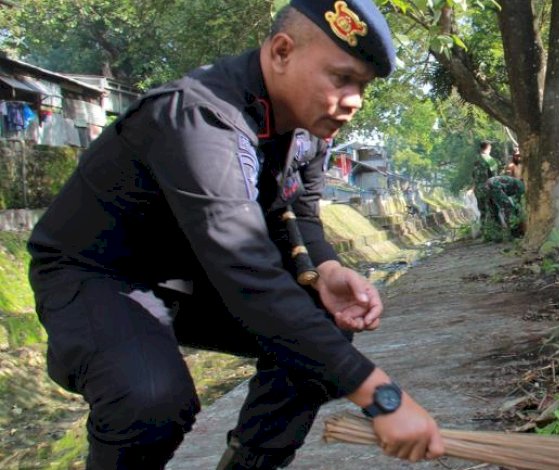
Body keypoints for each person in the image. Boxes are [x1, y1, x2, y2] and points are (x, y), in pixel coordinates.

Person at [26, 1, 444, 468]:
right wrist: (383, 398)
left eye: (362, 86)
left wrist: (325, 268)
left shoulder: (307, 127)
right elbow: (250, 276)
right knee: (150, 400)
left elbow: (299, 210)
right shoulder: (201, 118)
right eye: (341, 78)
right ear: (282, 51)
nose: (354, 100)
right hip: (99, 274)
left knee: (320, 337)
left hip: (194, 275)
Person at [470, 141, 500, 227]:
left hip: (478, 190)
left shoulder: (476, 160)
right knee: (493, 210)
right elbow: (495, 177)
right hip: (488, 189)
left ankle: (483, 229)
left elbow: (473, 176)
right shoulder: (490, 160)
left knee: (482, 211)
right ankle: (495, 229)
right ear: (488, 147)